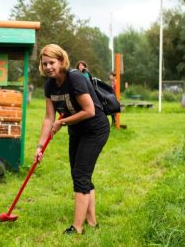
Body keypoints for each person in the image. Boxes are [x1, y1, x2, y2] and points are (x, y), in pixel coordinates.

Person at [35, 44, 110, 235]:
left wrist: (63, 122)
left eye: (51, 62)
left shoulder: (74, 78)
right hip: (77, 131)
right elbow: (48, 118)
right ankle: (92, 222)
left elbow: (89, 110)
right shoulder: (50, 85)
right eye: (44, 64)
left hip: (95, 129)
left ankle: (77, 228)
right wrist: (40, 146)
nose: (48, 67)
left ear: (61, 60)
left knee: (80, 175)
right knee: (80, 174)